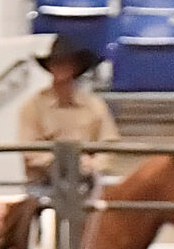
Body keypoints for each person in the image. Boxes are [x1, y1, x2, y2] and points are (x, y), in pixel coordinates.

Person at [16, 34, 119, 186]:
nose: (61, 67)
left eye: (65, 62)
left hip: (87, 182)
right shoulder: (33, 106)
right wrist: (65, 163)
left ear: (76, 67)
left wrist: (92, 165)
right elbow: (30, 150)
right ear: (49, 66)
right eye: (56, 62)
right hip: (44, 183)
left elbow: (109, 145)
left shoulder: (95, 105)